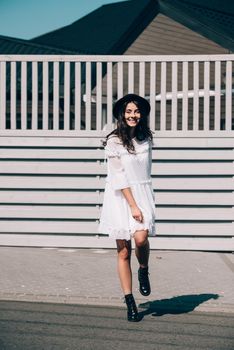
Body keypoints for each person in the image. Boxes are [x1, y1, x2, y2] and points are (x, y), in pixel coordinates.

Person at [98, 94, 156, 322]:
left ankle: (143, 268)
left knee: (141, 239)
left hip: (142, 193)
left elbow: (145, 172)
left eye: (137, 111)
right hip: (120, 197)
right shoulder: (113, 141)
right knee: (123, 251)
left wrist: (142, 201)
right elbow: (119, 177)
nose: (133, 115)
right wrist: (133, 205)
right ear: (122, 114)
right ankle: (130, 301)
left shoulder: (146, 138)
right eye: (129, 111)